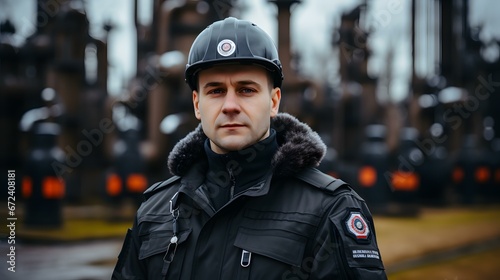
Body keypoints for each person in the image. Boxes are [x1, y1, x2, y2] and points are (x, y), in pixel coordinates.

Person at [112, 17, 387, 279]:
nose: (230, 106)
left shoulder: (330, 210)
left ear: (274, 101)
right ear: (197, 104)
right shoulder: (155, 211)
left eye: (246, 90)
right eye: (216, 91)